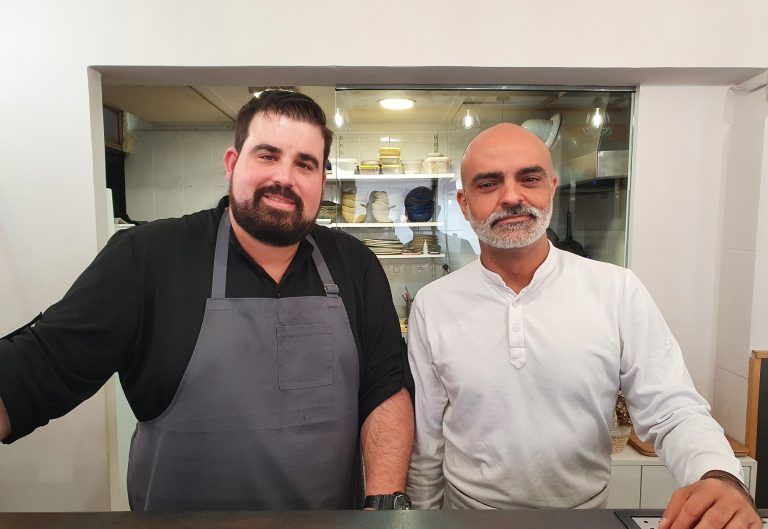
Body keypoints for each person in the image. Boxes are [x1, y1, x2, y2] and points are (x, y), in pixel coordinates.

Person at [0, 89, 414, 511]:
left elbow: (385, 387)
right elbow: (38, 367)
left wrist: (381, 504)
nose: (285, 178)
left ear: (321, 181)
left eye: (304, 163)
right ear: (232, 164)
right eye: (267, 156)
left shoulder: (354, 264)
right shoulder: (148, 256)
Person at [406, 123, 759, 527]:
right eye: (489, 184)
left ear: (551, 187)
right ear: (465, 204)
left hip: (585, 519)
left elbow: (673, 410)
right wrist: (422, 520)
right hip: (466, 519)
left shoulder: (616, 290)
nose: (511, 197)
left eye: (529, 178)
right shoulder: (434, 305)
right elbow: (427, 445)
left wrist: (718, 475)